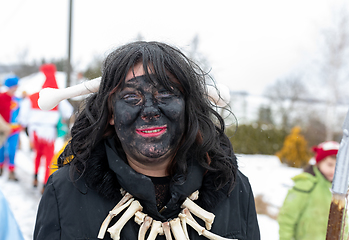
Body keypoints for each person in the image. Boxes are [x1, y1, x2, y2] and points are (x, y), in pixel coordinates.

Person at [33, 41, 260, 240]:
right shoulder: (64, 192)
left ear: (187, 108)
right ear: (111, 113)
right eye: (131, 97)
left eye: (166, 94)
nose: (150, 111)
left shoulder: (234, 188)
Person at [18, 64, 73, 191]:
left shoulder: (33, 97)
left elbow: (23, 115)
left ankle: (35, 177)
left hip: (35, 130)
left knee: (37, 155)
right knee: (48, 158)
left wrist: (24, 125)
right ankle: (44, 184)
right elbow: (68, 112)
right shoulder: (57, 98)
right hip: (49, 132)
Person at [278, 140, 339, 240]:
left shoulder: (337, 190)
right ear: (319, 162)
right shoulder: (306, 184)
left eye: (337, 166)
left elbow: (342, 223)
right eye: (330, 165)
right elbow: (287, 217)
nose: (333, 170)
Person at [0, 76, 21, 181]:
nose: (15, 88)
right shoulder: (1, 97)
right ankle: (0, 167)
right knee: (1, 149)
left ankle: (11, 171)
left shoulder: (17, 99)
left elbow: (21, 114)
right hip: (3, 129)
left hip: (15, 129)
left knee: (12, 150)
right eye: (14, 86)